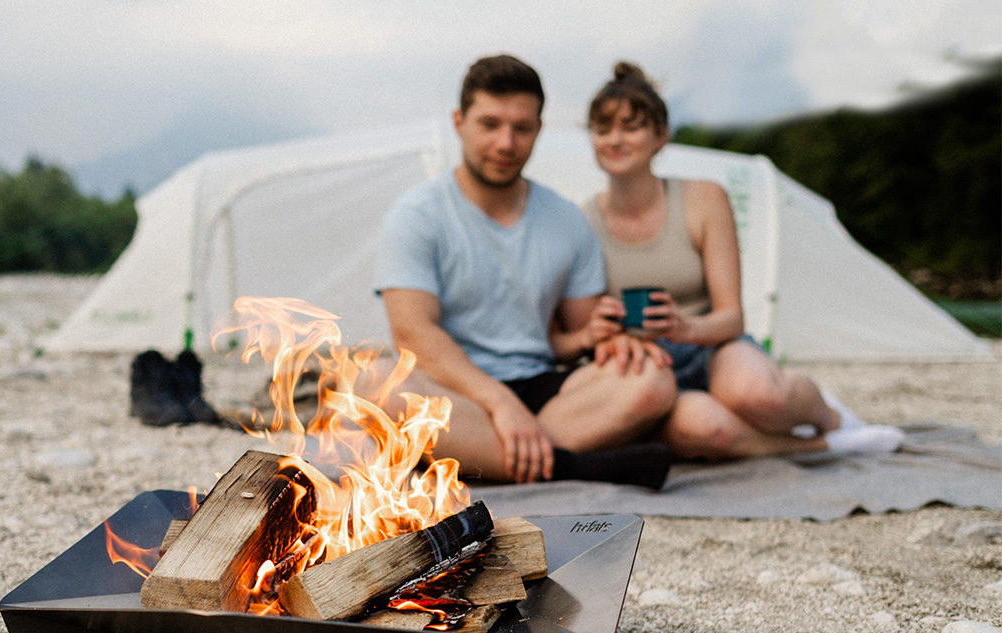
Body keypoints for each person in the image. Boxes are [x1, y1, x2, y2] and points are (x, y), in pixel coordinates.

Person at [374, 54, 677, 489]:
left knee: (653, 380)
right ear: (459, 123)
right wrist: (499, 403)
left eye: (522, 128)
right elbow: (413, 334)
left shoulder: (566, 219)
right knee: (373, 382)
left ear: (538, 129)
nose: (506, 143)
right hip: (454, 388)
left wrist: (613, 339)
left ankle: (485, 455)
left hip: (543, 389)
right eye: (490, 124)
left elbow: (584, 333)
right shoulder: (417, 214)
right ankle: (571, 465)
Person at [580, 62, 904, 459]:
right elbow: (581, 326)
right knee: (703, 429)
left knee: (760, 397)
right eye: (603, 129)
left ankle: (830, 416)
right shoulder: (583, 222)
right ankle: (821, 446)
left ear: (660, 136)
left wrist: (685, 327)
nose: (615, 139)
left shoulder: (704, 199)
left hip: (713, 343)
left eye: (631, 127)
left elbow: (732, 317)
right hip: (647, 367)